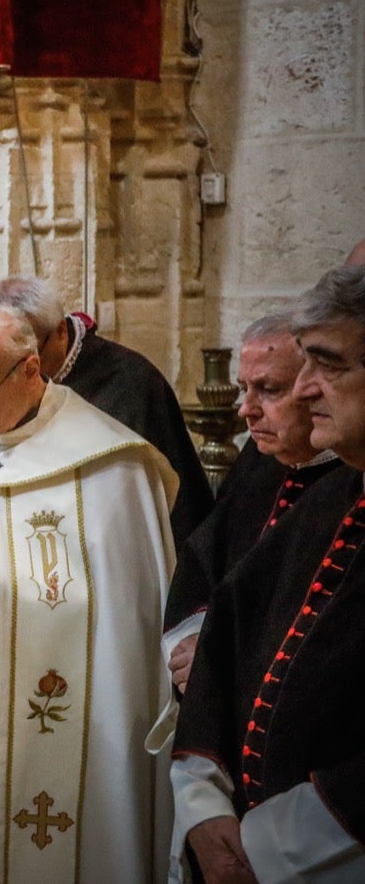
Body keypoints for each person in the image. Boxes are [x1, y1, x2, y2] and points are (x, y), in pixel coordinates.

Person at [0, 304, 176, 883]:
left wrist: (12, 588)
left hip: (55, 695)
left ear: (28, 369)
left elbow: (131, 607)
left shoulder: (108, 462)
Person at [172, 265, 365, 883]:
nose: (307, 391)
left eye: (328, 365)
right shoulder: (328, 504)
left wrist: (273, 841)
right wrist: (200, 801)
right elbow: (227, 624)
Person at [162, 313, 345, 693]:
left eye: (269, 389)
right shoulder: (259, 462)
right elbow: (205, 565)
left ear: (315, 389)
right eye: (244, 388)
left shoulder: (348, 481)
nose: (247, 408)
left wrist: (219, 656)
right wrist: (196, 638)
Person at [0, 276, 214, 550]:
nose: (20, 373)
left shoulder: (131, 383)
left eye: (29, 359)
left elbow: (167, 509)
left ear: (60, 333)